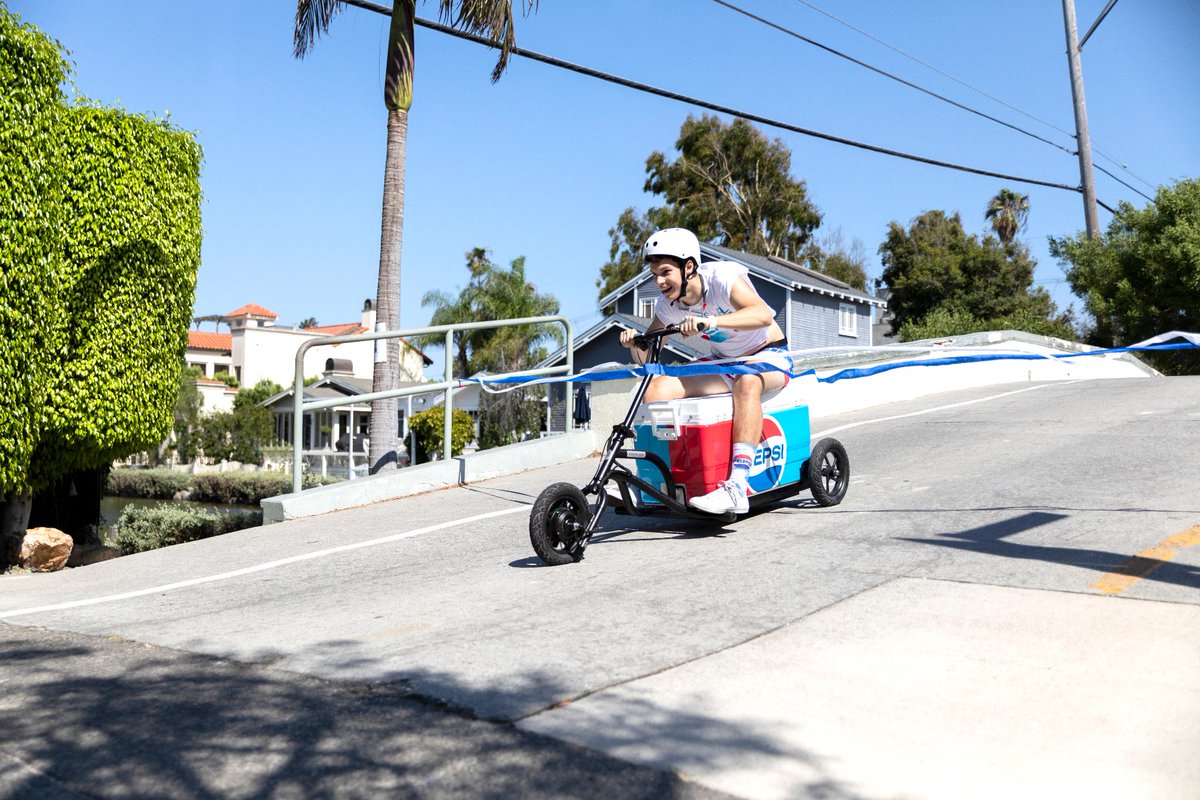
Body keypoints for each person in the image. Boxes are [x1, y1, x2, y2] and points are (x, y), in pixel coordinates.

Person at [619, 227, 793, 514]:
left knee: (747, 381)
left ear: (688, 266)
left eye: (665, 272)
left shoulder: (723, 278)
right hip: (723, 362)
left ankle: (736, 487)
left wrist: (711, 322)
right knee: (656, 388)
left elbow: (763, 315)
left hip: (768, 355)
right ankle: (652, 482)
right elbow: (649, 357)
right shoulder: (669, 305)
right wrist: (633, 344)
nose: (659, 282)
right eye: (654, 275)